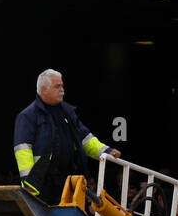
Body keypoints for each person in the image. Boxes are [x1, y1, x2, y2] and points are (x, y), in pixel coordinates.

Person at [13, 69, 119, 204]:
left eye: (62, 85)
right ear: (43, 90)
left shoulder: (68, 113)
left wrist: (106, 151)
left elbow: (85, 139)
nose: (62, 90)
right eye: (57, 86)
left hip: (68, 181)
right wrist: (29, 183)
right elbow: (23, 150)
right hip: (42, 184)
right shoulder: (28, 116)